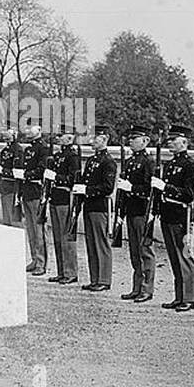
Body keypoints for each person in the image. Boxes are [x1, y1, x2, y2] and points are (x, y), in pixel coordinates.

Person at [158, 123, 194, 311]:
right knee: (174, 258)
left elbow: (189, 194)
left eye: (174, 140)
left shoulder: (190, 165)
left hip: (181, 215)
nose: (170, 142)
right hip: (168, 214)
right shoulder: (170, 164)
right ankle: (179, 295)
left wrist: (166, 188)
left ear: (184, 142)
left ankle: (189, 298)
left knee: (185, 257)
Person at [79, 124, 118, 291]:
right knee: (91, 243)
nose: (91, 141)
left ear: (105, 139)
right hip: (89, 205)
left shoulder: (108, 162)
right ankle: (95, 278)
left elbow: (108, 188)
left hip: (99, 206)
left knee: (101, 243)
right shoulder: (92, 160)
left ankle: (104, 279)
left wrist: (87, 190)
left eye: (95, 138)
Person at [119, 126, 157, 303]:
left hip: (142, 210)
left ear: (145, 141)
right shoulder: (129, 161)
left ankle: (146, 289)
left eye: (135, 139)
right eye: (130, 139)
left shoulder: (148, 162)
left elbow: (149, 188)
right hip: (132, 210)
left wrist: (131, 188)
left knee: (145, 251)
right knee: (134, 251)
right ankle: (137, 287)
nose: (131, 142)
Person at [47, 124, 81, 285]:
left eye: (61, 136)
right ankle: (62, 271)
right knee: (58, 237)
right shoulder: (58, 155)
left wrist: (56, 177)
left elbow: (73, 179)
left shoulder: (72, 157)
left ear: (69, 138)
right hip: (55, 196)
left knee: (66, 236)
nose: (58, 138)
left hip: (65, 196)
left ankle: (70, 272)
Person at [20, 123, 50, 275]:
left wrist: (26, 175)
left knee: (38, 230)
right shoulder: (29, 149)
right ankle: (34, 258)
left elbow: (42, 169)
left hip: (36, 191)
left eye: (31, 127)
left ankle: (41, 262)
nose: (27, 129)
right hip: (27, 191)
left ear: (39, 130)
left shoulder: (43, 148)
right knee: (30, 228)